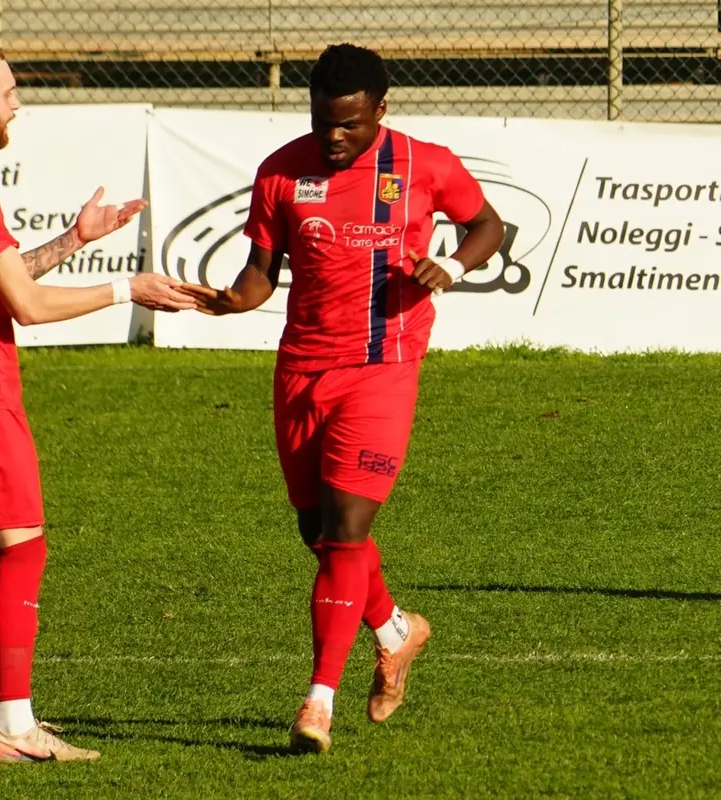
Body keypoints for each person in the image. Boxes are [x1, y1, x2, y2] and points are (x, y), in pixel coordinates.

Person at [183, 43, 505, 753]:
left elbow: (488, 225)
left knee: (345, 530)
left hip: (382, 369)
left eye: (350, 124)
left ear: (380, 111)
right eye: (322, 120)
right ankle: (395, 630)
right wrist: (231, 301)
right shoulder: (280, 172)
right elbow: (261, 273)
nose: (333, 136)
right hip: (301, 370)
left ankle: (318, 702)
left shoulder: (424, 165)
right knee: (316, 528)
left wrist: (451, 266)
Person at [0, 39, 195, 763]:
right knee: (22, 550)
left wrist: (74, 239)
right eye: (9, 91)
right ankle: (16, 728)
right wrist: (127, 288)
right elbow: (23, 304)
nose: (16, 104)